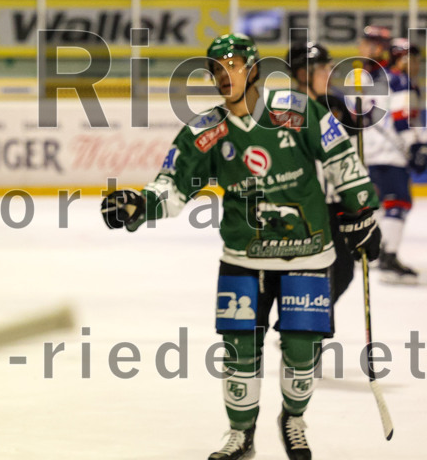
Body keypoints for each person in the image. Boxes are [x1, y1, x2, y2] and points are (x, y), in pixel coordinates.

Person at [102, 33, 380, 460]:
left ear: (253, 69)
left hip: (307, 252)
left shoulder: (298, 109)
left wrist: (362, 209)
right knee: (238, 348)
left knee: (302, 348)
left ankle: (293, 418)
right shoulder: (206, 128)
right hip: (242, 257)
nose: (223, 74)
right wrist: (140, 203)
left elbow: (341, 158)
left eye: (231, 65)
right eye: (215, 68)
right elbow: (172, 186)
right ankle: (240, 433)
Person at [286, 41, 363, 301]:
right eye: (323, 68)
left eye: (330, 67)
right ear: (302, 74)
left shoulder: (336, 105)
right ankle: (300, 332)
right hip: (299, 207)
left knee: (342, 269)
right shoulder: (284, 110)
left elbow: (348, 152)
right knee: (305, 270)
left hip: (332, 206)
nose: (330, 73)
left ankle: (310, 328)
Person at [362, 38, 427, 283]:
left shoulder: (379, 78)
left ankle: (371, 252)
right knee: (398, 202)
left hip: (372, 151)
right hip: (390, 153)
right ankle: (387, 256)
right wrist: (415, 147)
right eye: (414, 59)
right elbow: (402, 119)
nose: (417, 65)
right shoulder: (401, 81)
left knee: (378, 203)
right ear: (402, 58)